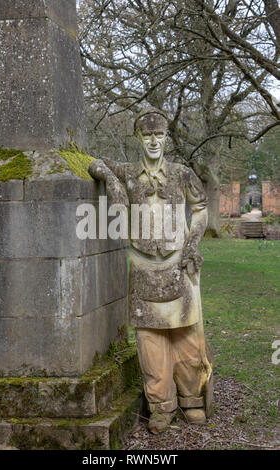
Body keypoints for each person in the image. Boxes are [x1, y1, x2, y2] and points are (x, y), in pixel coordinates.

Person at [88, 107, 213, 434]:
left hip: (177, 267)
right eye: (147, 135)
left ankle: (191, 400)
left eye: (159, 134)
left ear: (167, 137)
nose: (154, 141)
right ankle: (161, 406)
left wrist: (192, 243)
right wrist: (112, 181)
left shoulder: (182, 174)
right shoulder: (128, 172)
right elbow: (94, 162)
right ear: (138, 137)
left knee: (187, 339)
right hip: (143, 268)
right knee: (149, 342)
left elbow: (200, 210)